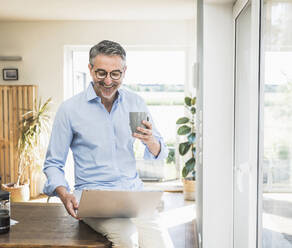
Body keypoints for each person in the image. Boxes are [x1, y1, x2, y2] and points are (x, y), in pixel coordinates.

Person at [43, 40, 174, 248]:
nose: (108, 81)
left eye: (115, 74)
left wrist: (151, 141)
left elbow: (159, 153)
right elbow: (53, 163)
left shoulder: (135, 103)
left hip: (133, 195)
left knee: (160, 242)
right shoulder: (70, 110)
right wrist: (64, 193)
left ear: (124, 71)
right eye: (101, 73)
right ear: (90, 69)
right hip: (94, 197)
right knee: (127, 239)